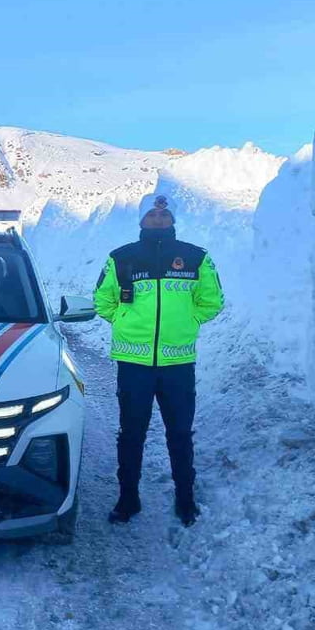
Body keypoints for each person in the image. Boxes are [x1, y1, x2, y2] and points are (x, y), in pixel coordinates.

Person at [93, 195, 224, 527]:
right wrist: (124, 320)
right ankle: (128, 499)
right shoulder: (120, 258)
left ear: (172, 218)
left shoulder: (195, 257)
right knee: (131, 433)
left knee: (180, 433)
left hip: (178, 364)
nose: (158, 218)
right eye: (152, 213)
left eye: (164, 213)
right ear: (141, 219)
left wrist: (187, 322)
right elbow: (102, 301)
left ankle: (185, 499)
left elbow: (212, 302)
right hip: (133, 364)